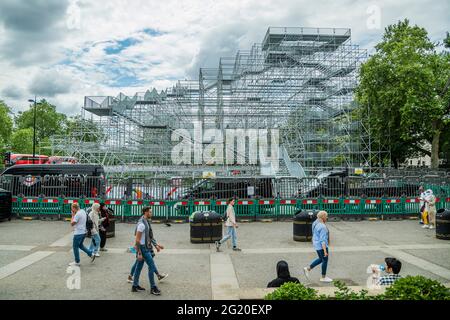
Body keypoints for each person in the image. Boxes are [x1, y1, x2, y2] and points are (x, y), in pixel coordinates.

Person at [127, 207, 168, 284]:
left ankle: (133, 280)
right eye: (150, 212)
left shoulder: (145, 221)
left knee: (139, 263)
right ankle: (154, 282)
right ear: (146, 212)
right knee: (150, 263)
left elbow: (148, 235)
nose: (151, 213)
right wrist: (139, 250)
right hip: (143, 247)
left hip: (144, 246)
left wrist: (156, 245)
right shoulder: (142, 223)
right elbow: (138, 237)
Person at [303, 211, 332, 283]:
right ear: (323, 217)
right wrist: (325, 251)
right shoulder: (323, 227)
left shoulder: (315, 223)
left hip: (316, 244)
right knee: (325, 260)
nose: (327, 218)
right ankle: (323, 277)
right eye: (326, 216)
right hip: (321, 246)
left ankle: (308, 268)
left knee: (321, 259)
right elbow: (323, 240)